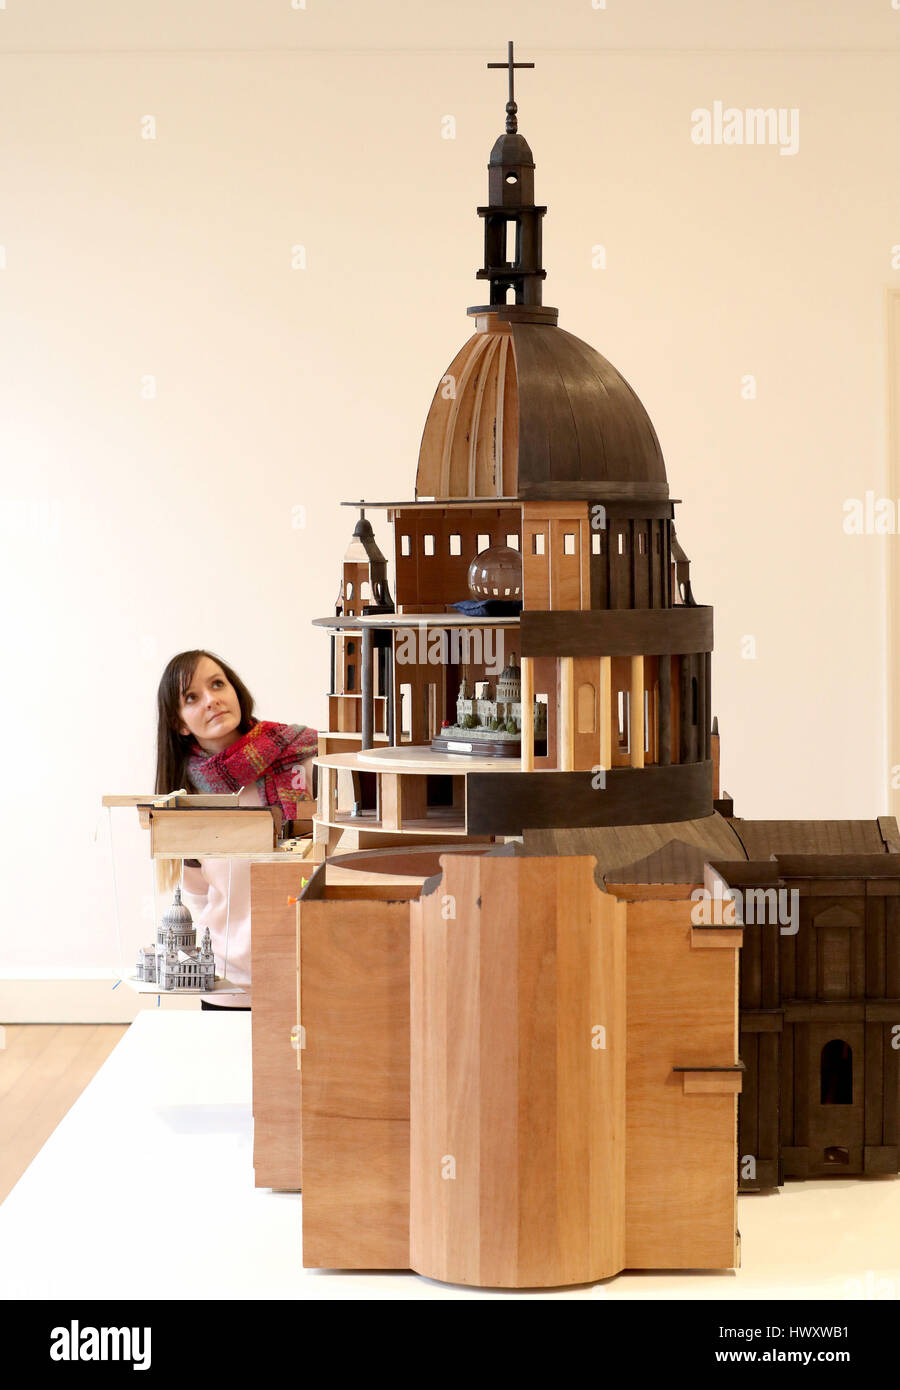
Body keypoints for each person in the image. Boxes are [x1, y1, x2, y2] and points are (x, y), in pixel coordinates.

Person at [155, 649, 317, 1009]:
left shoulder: (300, 758)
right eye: (192, 697)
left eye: (217, 684)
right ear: (180, 723)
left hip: (309, 966)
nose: (212, 700)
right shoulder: (188, 796)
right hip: (228, 979)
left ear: (235, 692)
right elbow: (196, 893)